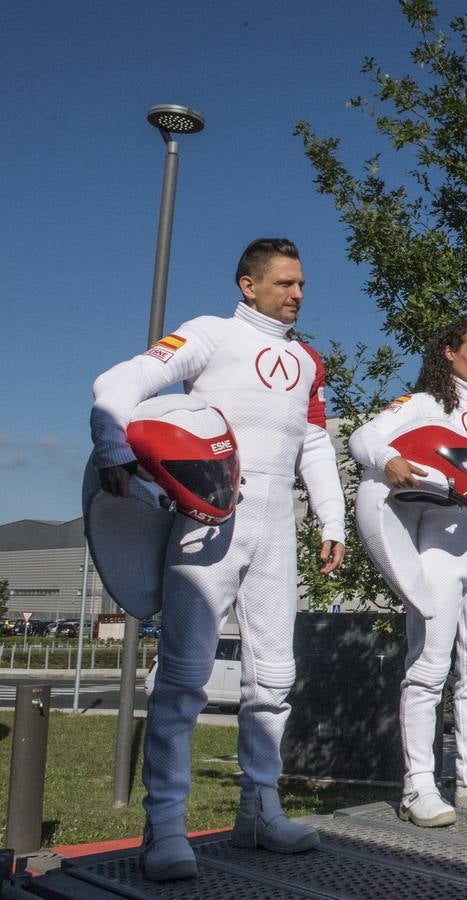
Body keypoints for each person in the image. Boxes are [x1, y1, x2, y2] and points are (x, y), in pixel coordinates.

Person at [90, 238, 345, 881]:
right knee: (183, 679)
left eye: (301, 283)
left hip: (276, 526)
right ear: (248, 284)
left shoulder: (308, 360)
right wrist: (114, 449)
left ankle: (259, 811)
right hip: (208, 517)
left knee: (275, 678)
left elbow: (314, 441)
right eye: (285, 282)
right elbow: (120, 381)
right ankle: (166, 827)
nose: (297, 294)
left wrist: (333, 516)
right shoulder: (210, 334)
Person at [349, 322, 467, 826]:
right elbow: (364, 438)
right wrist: (388, 460)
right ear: (447, 353)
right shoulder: (422, 405)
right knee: (428, 670)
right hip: (438, 553)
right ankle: (418, 787)